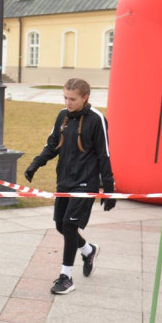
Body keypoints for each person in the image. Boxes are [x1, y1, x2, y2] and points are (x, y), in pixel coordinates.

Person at [24, 77, 115, 295]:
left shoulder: (97, 119)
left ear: (85, 97)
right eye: (65, 97)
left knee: (70, 225)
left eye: (72, 99)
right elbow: (53, 144)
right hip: (64, 180)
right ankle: (88, 250)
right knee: (60, 225)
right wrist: (36, 163)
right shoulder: (62, 116)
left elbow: (104, 154)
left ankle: (66, 277)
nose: (68, 102)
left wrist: (109, 189)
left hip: (86, 182)